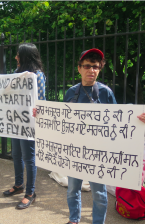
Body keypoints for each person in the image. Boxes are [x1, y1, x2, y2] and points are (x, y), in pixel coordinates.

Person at [64, 49, 116, 224]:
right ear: (79, 68)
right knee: (72, 189)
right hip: (75, 151)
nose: (91, 70)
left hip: (97, 152)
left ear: (100, 69)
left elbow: (119, 120)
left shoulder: (106, 92)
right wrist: (39, 114)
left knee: (99, 193)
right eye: (87, 66)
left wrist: (138, 119)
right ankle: (74, 220)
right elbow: (60, 120)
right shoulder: (70, 93)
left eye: (95, 66)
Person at [2, 43, 46, 209]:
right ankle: (19, 184)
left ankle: (30, 193)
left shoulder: (38, 76)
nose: (15, 57)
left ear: (25, 57)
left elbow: (40, 100)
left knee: (29, 158)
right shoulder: (16, 73)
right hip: (15, 121)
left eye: (18, 55)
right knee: (16, 154)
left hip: (28, 124)